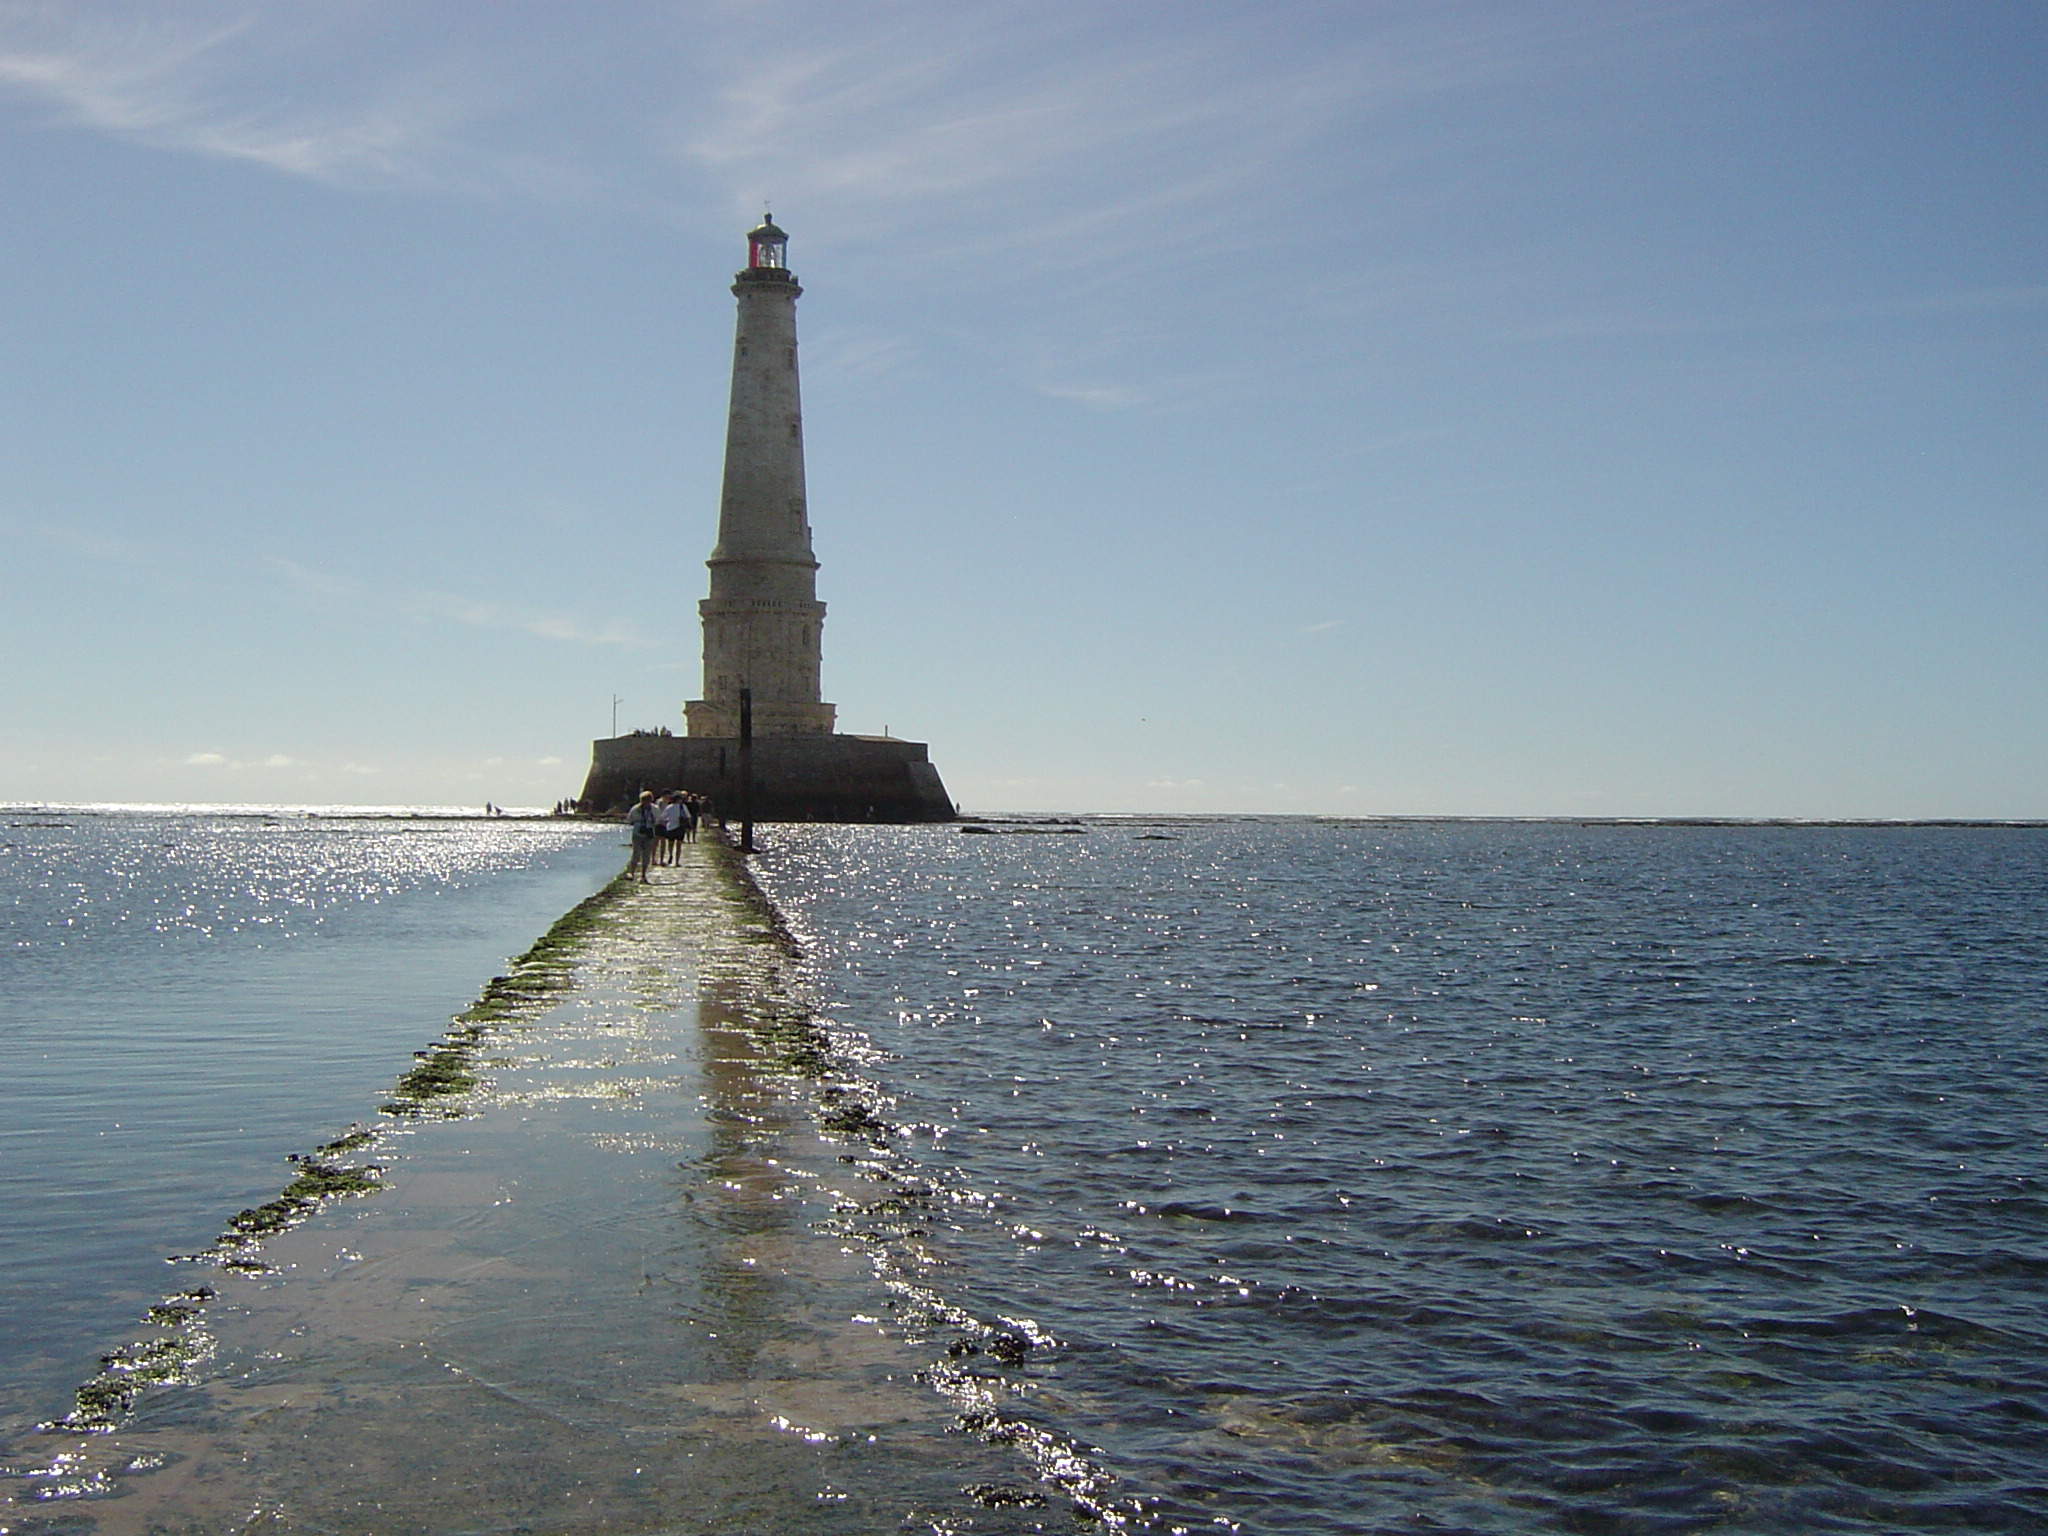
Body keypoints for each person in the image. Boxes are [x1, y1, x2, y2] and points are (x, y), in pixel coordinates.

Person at [625, 790, 658, 882]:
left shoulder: (654, 809)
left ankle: (643, 875)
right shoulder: (635, 809)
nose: (646, 802)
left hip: (649, 833)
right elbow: (630, 820)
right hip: (637, 833)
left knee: (646, 855)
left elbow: (657, 820)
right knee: (636, 853)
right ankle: (631, 872)